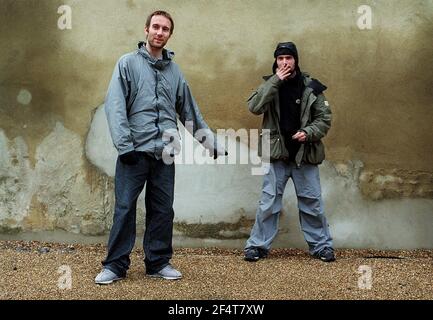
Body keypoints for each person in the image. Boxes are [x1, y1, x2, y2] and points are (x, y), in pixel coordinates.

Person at [95, 10, 226, 285]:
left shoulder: (175, 72)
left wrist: (209, 143)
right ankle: (115, 266)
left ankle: (157, 262)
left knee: (163, 209)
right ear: (146, 30)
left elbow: (188, 110)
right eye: (155, 27)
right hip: (134, 152)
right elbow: (115, 106)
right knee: (125, 208)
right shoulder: (127, 64)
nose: (159, 32)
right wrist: (124, 146)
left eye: (165, 29)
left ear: (169, 35)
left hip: (166, 153)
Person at [244, 42, 335, 263]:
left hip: (304, 154)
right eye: (281, 58)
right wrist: (276, 80)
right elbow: (254, 107)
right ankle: (257, 246)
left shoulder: (311, 86)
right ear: (276, 61)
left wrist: (308, 132)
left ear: (296, 60)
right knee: (268, 202)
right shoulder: (270, 84)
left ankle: (321, 246)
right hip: (277, 154)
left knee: (311, 202)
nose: (285, 62)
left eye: (289, 58)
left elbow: (324, 119)